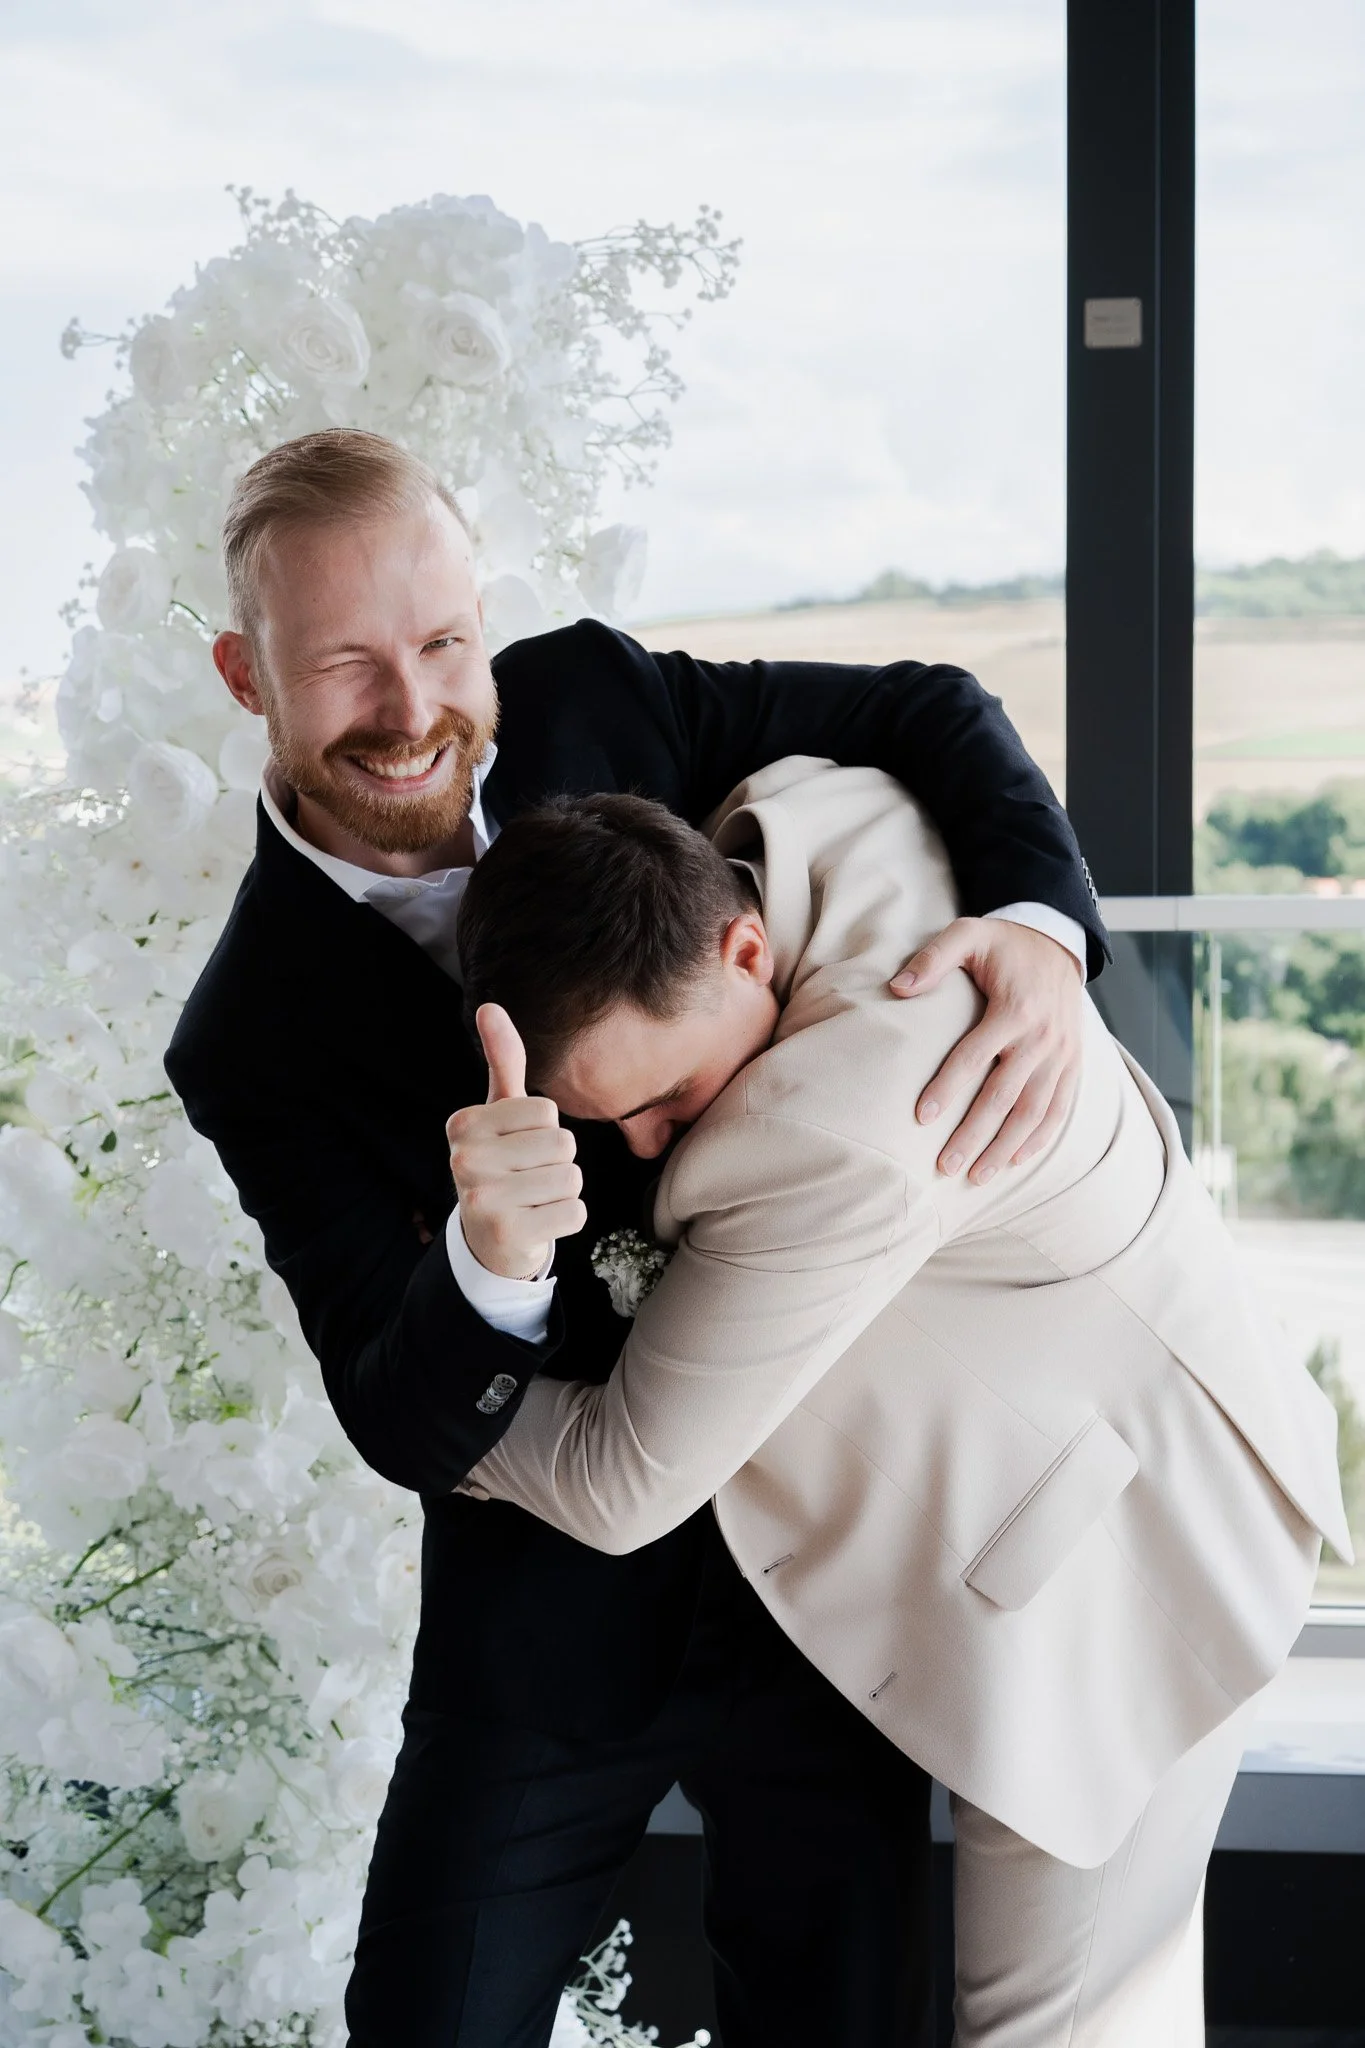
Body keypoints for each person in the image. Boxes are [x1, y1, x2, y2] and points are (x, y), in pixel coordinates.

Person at [166, 427, 1108, 2048]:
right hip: (542, 1642)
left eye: (444, 643)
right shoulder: (246, 1033)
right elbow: (394, 1410)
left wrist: (1038, 931)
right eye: (343, 668)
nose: (413, 711)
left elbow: (924, 706)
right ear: (247, 675)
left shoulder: (600, 697)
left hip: (832, 1582)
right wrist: (486, 1269)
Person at [454, 760, 1350, 2048]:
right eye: (614, 1117)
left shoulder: (832, 1129)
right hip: (1150, 1436)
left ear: (744, 946)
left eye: (662, 1098)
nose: (644, 1147)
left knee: (1051, 2028)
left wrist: (442, 1416)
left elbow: (619, 1483)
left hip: (1117, 1582)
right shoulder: (836, 824)